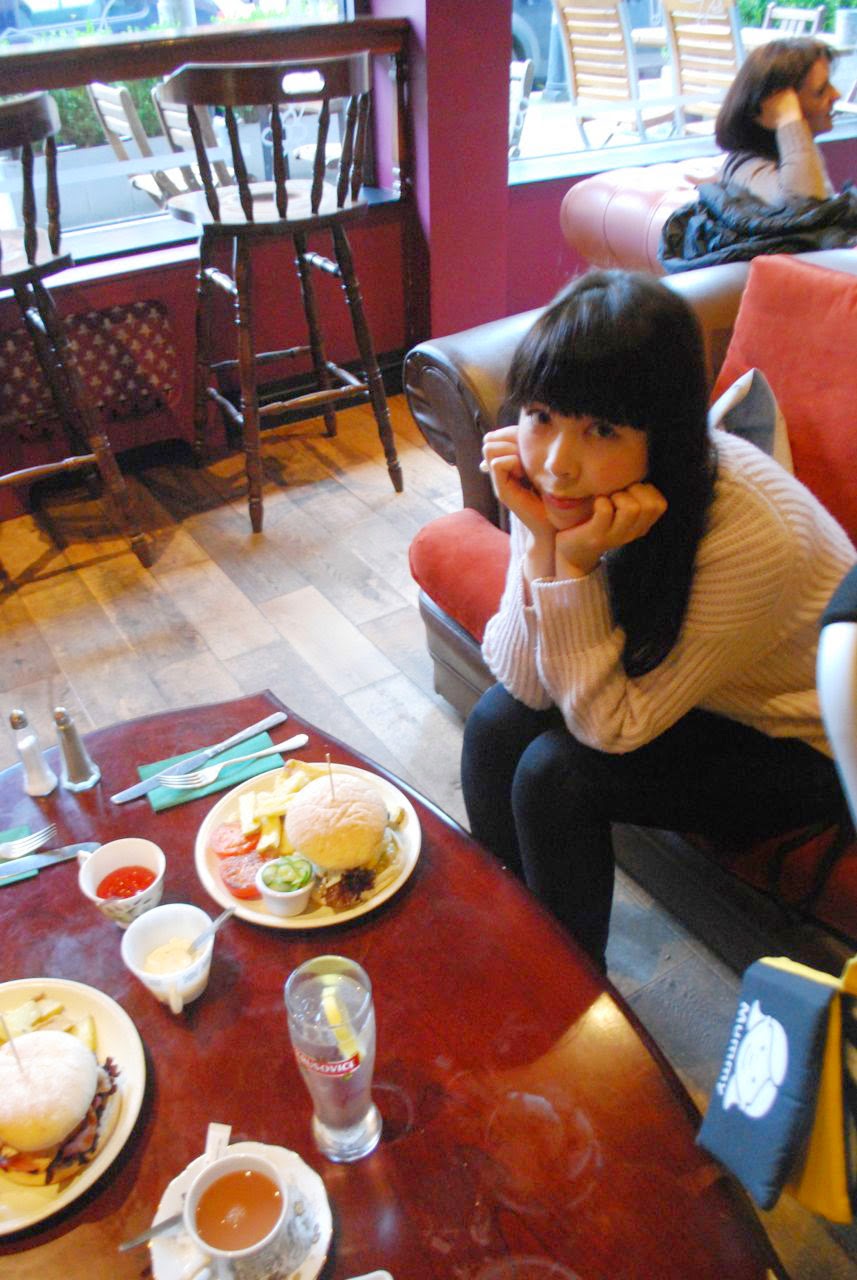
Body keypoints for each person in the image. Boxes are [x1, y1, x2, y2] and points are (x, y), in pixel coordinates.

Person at [461, 270, 856, 969]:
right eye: (541, 416)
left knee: (558, 775)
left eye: (601, 430)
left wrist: (571, 565)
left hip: (802, 741)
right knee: (496, 724)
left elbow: (610, 730)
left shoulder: (750, 534)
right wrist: (539, 535)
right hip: (701, 689)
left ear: (664, 434)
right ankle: (514, 949)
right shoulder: (568, 486)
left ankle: (572, 996)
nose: (556, 464)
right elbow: (523, 681)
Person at [715, 37, 841, 205]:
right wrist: (789, 120)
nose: (836, 95)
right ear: (775, 105)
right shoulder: (745, 167)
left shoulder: (800, 153)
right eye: (820, 91)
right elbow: (805, 206)